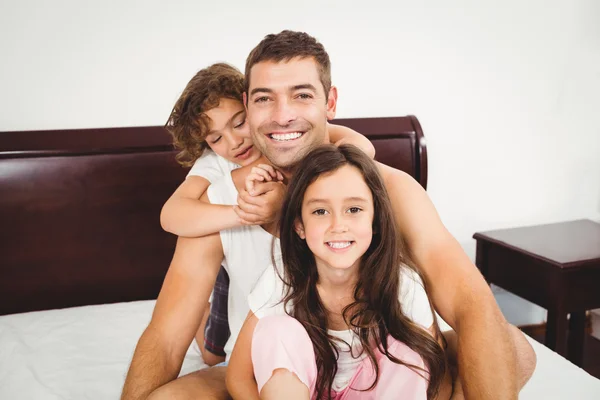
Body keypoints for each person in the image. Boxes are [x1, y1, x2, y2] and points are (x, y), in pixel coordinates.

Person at [121, 31, 536, 400]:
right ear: (249, 105)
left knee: (513, 348)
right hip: (274, 370)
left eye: (301, 95)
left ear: (330, 102)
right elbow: (166, 334)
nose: (283, 115)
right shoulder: (219, 204)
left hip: (379, 362)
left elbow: (469, 301)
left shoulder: (388, 190)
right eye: (266, 98)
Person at [159, 63, 376, 366]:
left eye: (238, 123)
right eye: (215, 138)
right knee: (211, 354)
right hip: (232, 264)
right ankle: (203, 320)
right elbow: (172, 215)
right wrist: (245, 212)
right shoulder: (216, 164)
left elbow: (360, 145)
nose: (233, 143)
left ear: (253, 107)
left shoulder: (287, 139)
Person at [228, 144, 459, 399]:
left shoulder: (402, 282)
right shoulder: (281, 279)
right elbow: (238, 377)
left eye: (354, 210)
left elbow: (438, 376)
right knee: (277, 330)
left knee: (411, 351)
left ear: (375, 220)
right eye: (320, 211)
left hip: (375, 392)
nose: (338, 226)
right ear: (299, 225)